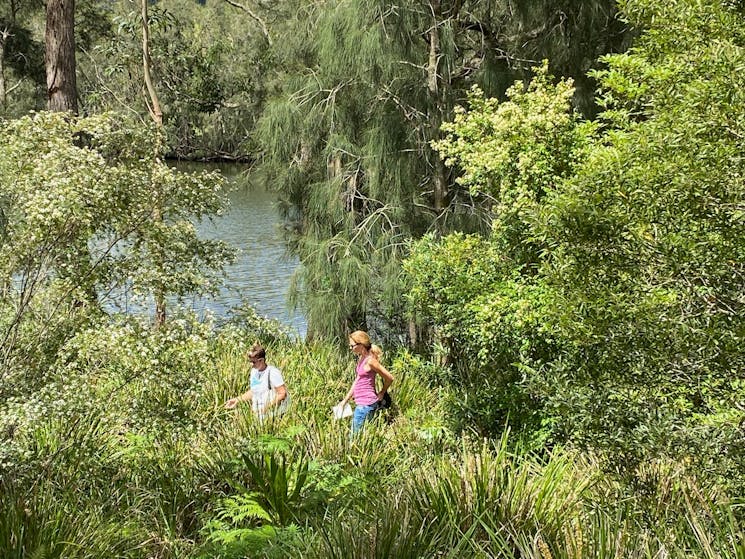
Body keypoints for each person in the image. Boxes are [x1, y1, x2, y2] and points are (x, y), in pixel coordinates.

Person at [338, 330, 395, 435]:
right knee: (362, 435)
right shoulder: (362, 359)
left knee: (354, 438)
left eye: (352, 346)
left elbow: (390, 378)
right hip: (361, 403)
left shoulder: (370, 361)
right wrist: (345, 400)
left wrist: (382, 392)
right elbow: (357, 381)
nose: (351, 349)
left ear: (361, 344)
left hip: (366, 404)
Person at [225, 344, 289, 418]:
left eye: (253, 362)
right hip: (259, 415)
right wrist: (237, 400)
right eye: (250, 361)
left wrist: (266, 408)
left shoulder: (273, 372)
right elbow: (254, 391)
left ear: (261, 360)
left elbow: (282, 393)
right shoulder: (254, 372)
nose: (251, 365)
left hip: (274, 415)